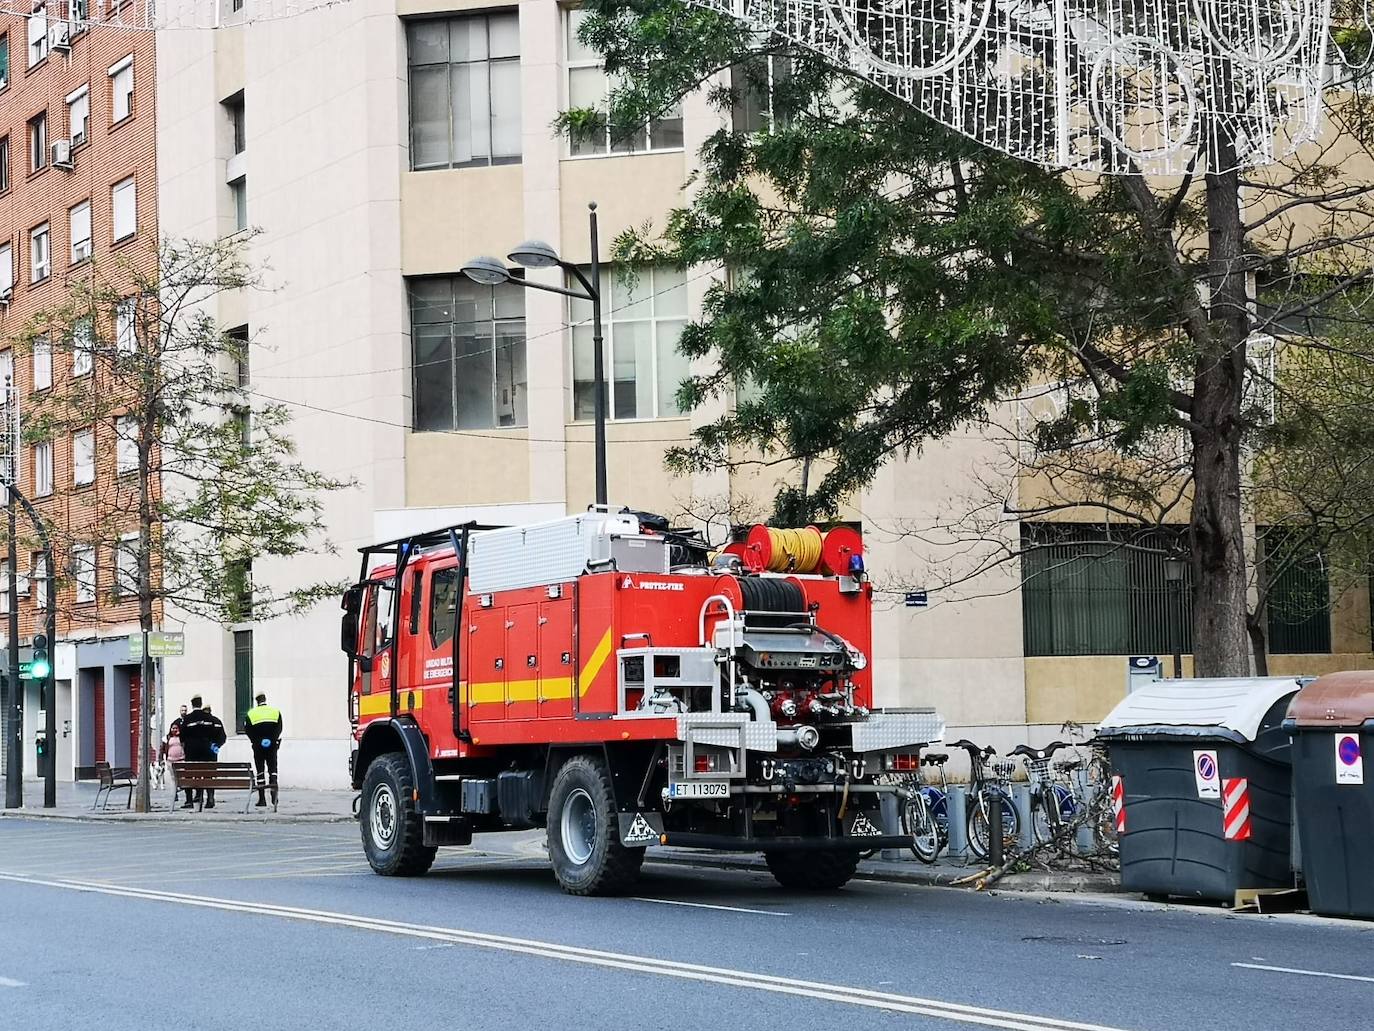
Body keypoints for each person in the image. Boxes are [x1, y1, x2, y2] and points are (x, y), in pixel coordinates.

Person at [178, 696, 226, 809]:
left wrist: (186, 747)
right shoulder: (212, 719)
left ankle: (189, 801)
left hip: (192, 753)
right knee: (209, 776)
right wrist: (216, 746)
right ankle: (210, 798)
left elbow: (182, 737)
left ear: (192, 704)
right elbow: (222, 736)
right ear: (201, 704)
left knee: (189, 775)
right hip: (209, 753)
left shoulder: (187, 719)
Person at [242, 693, 283, 808]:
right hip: (272, 746)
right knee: (273, 769)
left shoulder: (251, 713)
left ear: (257, 701)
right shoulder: (275, 712)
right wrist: (272, 739)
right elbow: (279, 728)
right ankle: (274, 793)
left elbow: (248, 730)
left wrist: (256, 741)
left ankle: (262, 799)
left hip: (258, 746)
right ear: (265, 700)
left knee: (260, 770)